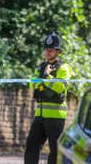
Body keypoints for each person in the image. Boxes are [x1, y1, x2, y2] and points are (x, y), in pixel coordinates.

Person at [24, 33, 72, 164]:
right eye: (46, 49)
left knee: (55, 151)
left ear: (57, 51)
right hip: (40, 115)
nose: (48, 52)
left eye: (51, 50)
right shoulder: (40, 66)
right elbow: (32, 83)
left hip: (56, 116)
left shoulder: (64, 67)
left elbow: (61, 87)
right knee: (31, 146)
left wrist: (47, 77)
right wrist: (44, 79)